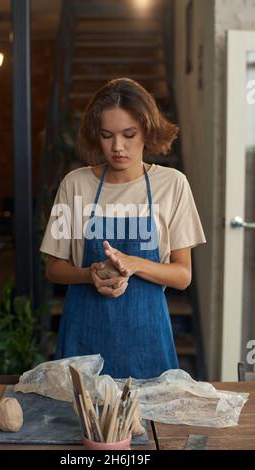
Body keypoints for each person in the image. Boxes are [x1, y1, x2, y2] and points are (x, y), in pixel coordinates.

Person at [40, 77, 206, 379]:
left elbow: (182, 276)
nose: (117, 147)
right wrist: (89, 274)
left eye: (129, 134)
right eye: (107, 136)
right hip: (84, 337)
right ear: (96, 135)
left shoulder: (172, 185)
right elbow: (54, 268)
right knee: (78, 421)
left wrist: (134, 263)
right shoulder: (75, 184)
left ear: (147, 130)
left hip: (147, 339)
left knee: (149, 423)